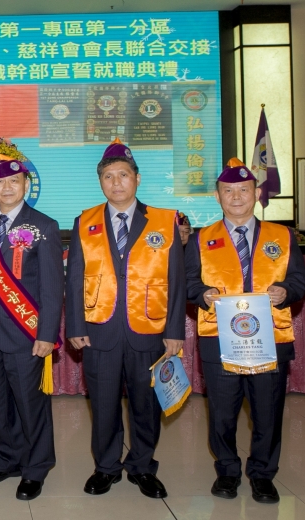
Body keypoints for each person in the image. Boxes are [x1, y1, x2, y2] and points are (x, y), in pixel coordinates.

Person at [66, 138, 186, 499]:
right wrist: (75, 325)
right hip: (99, 330)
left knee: (146, 405)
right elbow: (75, 278)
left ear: (137, 178)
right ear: (100, 182)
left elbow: (177, 281)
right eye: (108, 176)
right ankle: (106, 467)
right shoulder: (85, 221)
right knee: (103, 405)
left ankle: (142, 466)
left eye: (123, 175)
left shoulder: (165, 221)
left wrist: (175, 331)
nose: (116, 182)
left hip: (149, 329)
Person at [185, 159, 305, 503]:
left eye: (243, 190)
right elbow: (187, 281)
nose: (236, 196)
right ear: (217, 197)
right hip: (219, 340)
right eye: (228, 191)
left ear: (256, 193)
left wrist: (287, 290)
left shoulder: (282, 236)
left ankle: (262, 474)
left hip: (270, 339)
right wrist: (203, 294)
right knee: (222, 413)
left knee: (267, 412)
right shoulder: (201, 238)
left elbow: (300, 277)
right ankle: (227, 471)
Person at [0, 155, 63, 501]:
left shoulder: (45, 225)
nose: (6, 187)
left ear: (25, 185)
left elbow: (52, 287)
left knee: (30, 404)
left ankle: (36, 468)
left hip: (26, 332)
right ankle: (6, 458)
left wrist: (47, 334)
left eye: (13, 181)